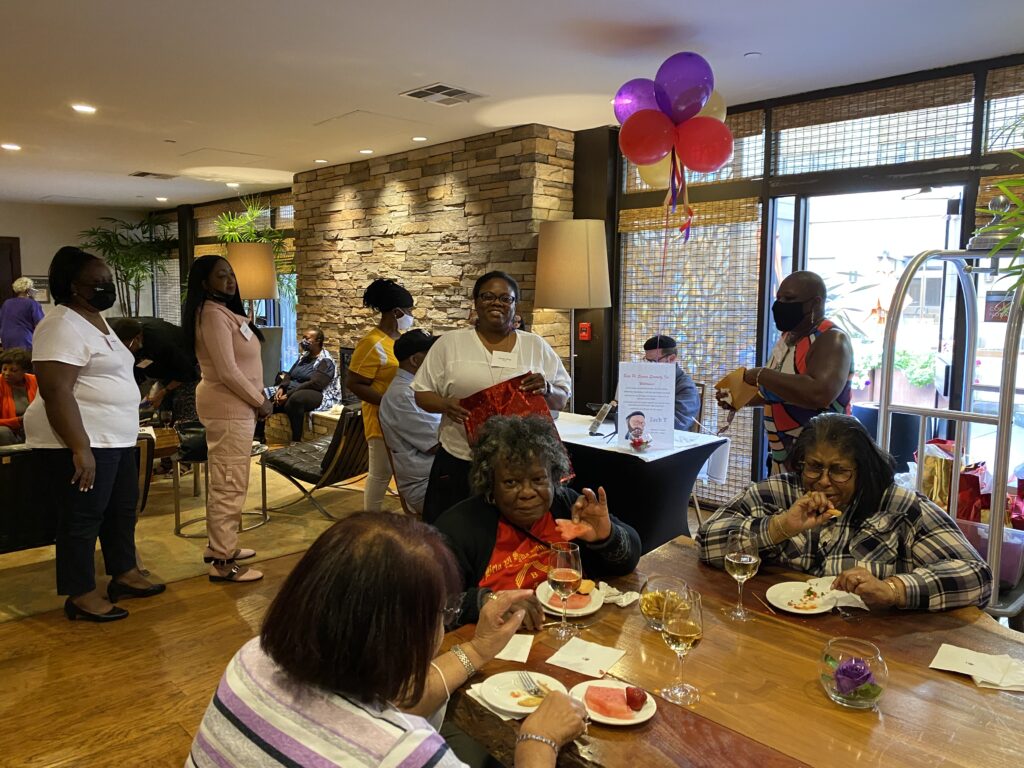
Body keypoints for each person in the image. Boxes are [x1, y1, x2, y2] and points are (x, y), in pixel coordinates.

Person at [189, 513, 587, 768]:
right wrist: (538, 740)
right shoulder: (402, 753)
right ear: (398, 639)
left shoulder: (253, 659)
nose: (441, 628)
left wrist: (480, 647)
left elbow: (396, 699)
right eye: (441, 616)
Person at [697, 413, 992, 611]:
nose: (823, 481)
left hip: (870, 649)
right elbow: (706, 541)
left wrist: (894, 589)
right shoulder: (779, 493)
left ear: (863, 469)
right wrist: (780, 526)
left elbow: (977, 577)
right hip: (778, 634)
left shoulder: (899, 507)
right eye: (814, 467)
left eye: (839, 471)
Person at [23, 246, 164, 622]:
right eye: (97, 282)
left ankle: (124, 572)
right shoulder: (59, 324)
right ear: (72, 286)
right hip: (82, 440)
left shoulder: (97, 321)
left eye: (108, 281)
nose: (106, 287)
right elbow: (56, 390)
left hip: (114, 438)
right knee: (83, 516)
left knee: (121, 510)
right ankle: (81, 593)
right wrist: (80, 448)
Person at [434, 415, 641, 627]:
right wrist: (487, 601)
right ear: (490, 485)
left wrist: (607, 536)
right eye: (511, 482)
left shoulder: (568, 506)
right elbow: (432, 607)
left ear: (554, 478)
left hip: (574, 632)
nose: (526, 492)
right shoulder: (459, 529)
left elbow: (629, 561)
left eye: (538, 480)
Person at [412, 272, 572, 522]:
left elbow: (562, 397)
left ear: (515, 305)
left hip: (521, 467)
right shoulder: (449, 344)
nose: (496, 303)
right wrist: (445, 405)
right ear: (476, 302)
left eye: (505, 298)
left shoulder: (535, 346)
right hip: (461, 459)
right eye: (488, 296)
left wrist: (548, 388)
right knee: (454, 532)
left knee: (512, 537)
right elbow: (421, 393)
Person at [183, 255, 272, 583]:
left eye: (232, 275)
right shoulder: (211, 315)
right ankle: (222, 562)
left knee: (226, 477)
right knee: (230, 481)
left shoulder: (224, 312)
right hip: (230, 406)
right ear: (205, 283)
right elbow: (227, 371)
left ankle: (219, 545)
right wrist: (259, 401)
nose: (230, 281)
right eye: (222, 276)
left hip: (235, 406)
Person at [715, 270, 853, 474]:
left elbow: (819, 393)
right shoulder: (788, 337)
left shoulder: (832, 339)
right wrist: (739, 397)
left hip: (822, 461)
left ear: (815, 303)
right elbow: (779, 392)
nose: (779, 305)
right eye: (778, 299)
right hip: (783, 456)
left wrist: (761, 374)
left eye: (789, 299)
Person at [347, 278, 415, 512]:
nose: (410, 314)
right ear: (396, 312)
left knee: (403, 470)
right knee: (380, 474)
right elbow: (354, 383)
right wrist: (388, 402)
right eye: (408, 310)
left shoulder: (400, 341)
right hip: (381, 422)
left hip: (403, 419)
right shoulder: (371, 344)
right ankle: (370, 521)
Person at [380, 329, 442, 515]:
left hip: (438, 474)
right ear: (415, 360)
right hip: (427, 484)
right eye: (431, 355)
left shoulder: (419, 387)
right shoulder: (404, 395)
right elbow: (436, 444)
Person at [110, 317, 200, 424]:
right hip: (166, 374)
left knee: (182, 418)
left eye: (127, 347)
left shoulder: (163, 342)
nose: (125, 351)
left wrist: (163, 392)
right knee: (164, 415)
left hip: (188, 373)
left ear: (137, 338)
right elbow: (137, 372)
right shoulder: (132, 342)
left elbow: (186, 372)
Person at [262, 327, 341, 442]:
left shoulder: (326, 361)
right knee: (265, 398)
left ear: (318, 341)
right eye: (303, 337)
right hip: (294, 389)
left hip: (317, 393)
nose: (303, 340)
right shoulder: (303, 356)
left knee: (295, 399)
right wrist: (281, 388)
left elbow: (315, 384)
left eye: (307, 338)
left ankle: (296, 440)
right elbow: (289, 374)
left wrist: (288, 395)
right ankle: (259, 437)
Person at [643, 335, 700, 430]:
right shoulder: (646, 380)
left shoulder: (685, 387)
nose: (649, 366)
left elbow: (678, 423)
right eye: (647, 361)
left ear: (672, 358)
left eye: (653, 361)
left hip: (673, 440)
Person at [0, 348, 37, 445]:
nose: (7, 373)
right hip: (8, 429)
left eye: (13, 370)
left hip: (32, 426)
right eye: (4, 369)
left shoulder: (35, 381)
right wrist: (17, 421)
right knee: (2, 432)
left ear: (24, 371)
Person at [0, 276, 45, 351]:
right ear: (29, 290)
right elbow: (40, 325)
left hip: (7, 339)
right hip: (24, 339)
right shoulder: (33, 304)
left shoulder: (7, 303)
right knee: (24, 360)